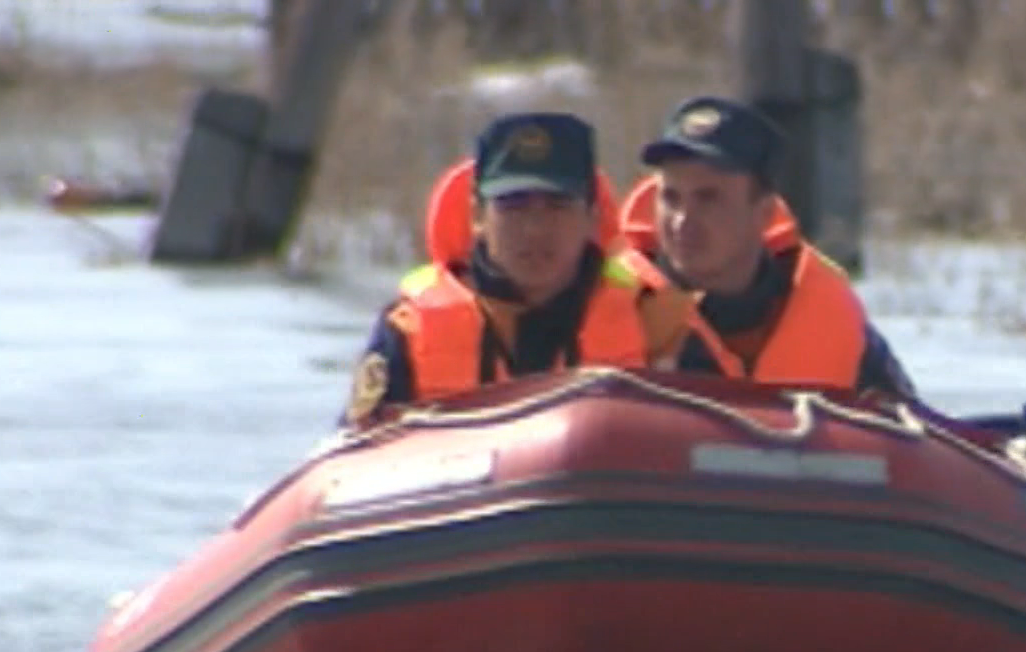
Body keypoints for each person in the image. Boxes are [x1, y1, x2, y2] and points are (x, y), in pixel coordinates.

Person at [342, 112, 699, 428]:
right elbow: (352, 464)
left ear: (592, 217)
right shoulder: (410, 332)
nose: (535, 229)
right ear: (477, 217)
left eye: (557, 207)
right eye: (514, 207)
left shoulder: (655, 321)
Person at [615, 96, 916, 398]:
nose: (682, 220)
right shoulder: (608, 304)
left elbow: (917, 432)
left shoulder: (831, 316)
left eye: (708, 198)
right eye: (670, 198)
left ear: (764, 213)